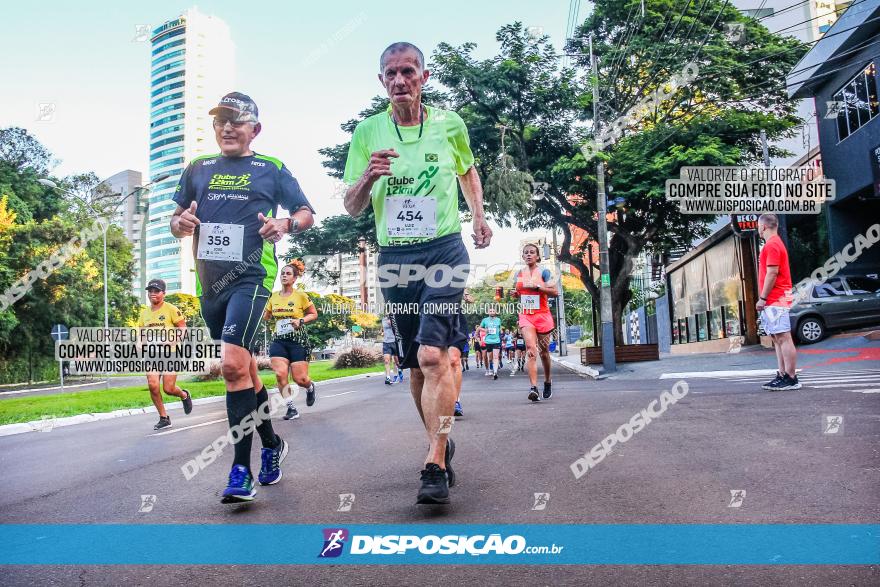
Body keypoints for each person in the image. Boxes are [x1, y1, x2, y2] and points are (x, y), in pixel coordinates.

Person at [343, 42, 492, 505]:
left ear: (424, 77)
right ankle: (441, 444)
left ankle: (434, 458)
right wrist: (368, 176)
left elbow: (467, 170)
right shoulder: (368, 132)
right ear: (382, 81)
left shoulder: (450, 124)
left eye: (408, 71)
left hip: (444, 249)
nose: (400, 80)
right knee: (414, 365)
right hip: (395, 257)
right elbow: (352, 207)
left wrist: (479, 216)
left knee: (434, 356)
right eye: (391, 73)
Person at [170, 92, 315, 503]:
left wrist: (286, 224)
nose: (227, 127)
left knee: (233, 364)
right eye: (220, 121)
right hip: (209, 283)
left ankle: (239, 470)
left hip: (252, 278)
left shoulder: (270, 169)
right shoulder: (198, 168)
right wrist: (179, 223)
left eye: (236, 120)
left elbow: (305, 212)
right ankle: (271, 443)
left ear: (255, 129)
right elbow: (175, 220)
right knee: (247, 371)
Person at [264, 260, 318, 420]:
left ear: (294, 278)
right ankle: (291, 408)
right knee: (280, 374)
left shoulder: (300, 295)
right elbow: (266, 316)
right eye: (282, 273)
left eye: (288, 274)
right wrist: (265, 315)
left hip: (298, 340)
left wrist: (300, 320)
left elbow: (313, 314)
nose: (284, 276)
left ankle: (309, 387)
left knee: (299, 379)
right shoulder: (273, 297)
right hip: (279, 340)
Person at [138, 278, 193, 430]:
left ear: (163, 293)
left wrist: (174, 340)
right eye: (150, 291)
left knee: (168, 389)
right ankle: (164, 417)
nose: (152, 294)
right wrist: (140, 343)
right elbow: (142, 333)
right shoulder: (144, 313)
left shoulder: (171, 309)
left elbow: (183, 328)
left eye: (156, 291)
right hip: (152, 354)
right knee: (152, 385)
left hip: (170, 354)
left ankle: (184, 395)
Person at [756, 213, 800, 391]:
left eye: (758, 226)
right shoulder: (774, 244)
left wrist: (763, 298)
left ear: (763, 227)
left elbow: (772, 273)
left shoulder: (772, 245)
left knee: (783, 336)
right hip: (776, 297)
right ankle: (782, 374)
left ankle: (791, 377)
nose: (758, 229)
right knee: (776, 338)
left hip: (776, 297)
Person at [512, 243, 558, 401]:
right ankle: (533, 388)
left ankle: (547, 381)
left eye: (532, 252)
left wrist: (538, 287)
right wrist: (515, 294)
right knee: (531, 349)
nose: (529, 255)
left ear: (537, 256)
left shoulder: (544, 272)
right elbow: (519, 293)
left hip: (543, 315)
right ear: (523, 256)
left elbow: (555, 292)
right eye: (526, 253)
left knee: (544, 353)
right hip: (526, 315)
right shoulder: (519, 273)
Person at [480, 308, 502, 380]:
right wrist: (485, 330)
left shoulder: (498, 320)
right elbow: (480, 328)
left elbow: (499, 329)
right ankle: (491, 367)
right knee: (490, 358)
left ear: (495, 312)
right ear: (488, 312)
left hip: (496, 341)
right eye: (490, 311)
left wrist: (500, 332)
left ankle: (495, 372)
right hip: (488, 341)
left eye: (493, 311)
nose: (492, 312)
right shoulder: (485, 320)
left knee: (496, 356)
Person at [382, 315, 401, 385]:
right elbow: (383, 329)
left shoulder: (395, 318)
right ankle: (388, 377)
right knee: (387, 361)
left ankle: (399, 371)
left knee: (397, 362)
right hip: (386, 342)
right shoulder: (383, 319)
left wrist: (392, 322)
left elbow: (398, 328)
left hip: (394, 342)